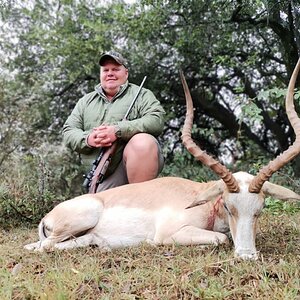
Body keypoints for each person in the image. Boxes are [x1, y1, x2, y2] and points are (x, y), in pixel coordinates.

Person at [62, 50, 165, 192]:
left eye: (116, 69)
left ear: (126, 73)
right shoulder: (85, 102)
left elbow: (156, 120)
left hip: (126, 168)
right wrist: (89, 139)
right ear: (101, 74)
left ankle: (142, 201)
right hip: (101, 176)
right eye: (106, 70)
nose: (110, 73)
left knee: (143, 142)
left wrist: (117, 131)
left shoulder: (142, 95)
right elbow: (68, 131)